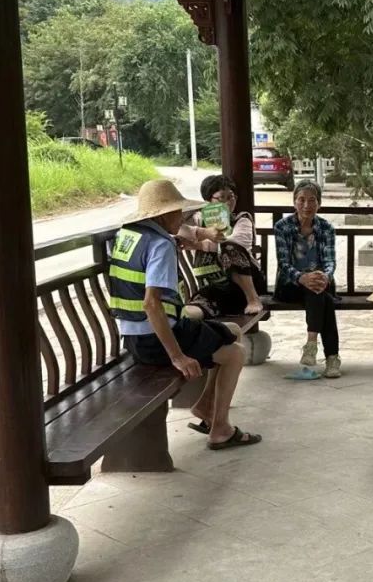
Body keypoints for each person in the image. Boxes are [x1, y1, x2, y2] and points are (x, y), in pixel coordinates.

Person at [109, 179, 262, 450]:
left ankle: (206, 407)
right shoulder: (160, 245)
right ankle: (221, 429)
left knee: (233, 331)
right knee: (236, 353)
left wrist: (190, 237)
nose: (181, 217)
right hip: (157, 339)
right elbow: (152, 304)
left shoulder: (129, 235)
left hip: (133, 337)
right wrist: (177, 356)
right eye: (178, 211)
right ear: (163, 214)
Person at [274, 179, 341, 378]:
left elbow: (330, 261)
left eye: (312, 200)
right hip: (290, 285)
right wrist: (302, 278)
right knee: (321, 295)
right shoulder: (282, 227)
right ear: (294, 202)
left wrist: (325, 276)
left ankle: (312, 347)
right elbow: (283, 264)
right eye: (301, 200)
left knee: (320, 292)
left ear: (319, 203)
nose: (306, 205)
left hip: (319, 284)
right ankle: (332, 358)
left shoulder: (326, 228)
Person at [178, 174, 265, 318]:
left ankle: (253, 299)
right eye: (221, 198)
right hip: (215, 287)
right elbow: (176, 228)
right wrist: (202, 231)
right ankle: (180, 320)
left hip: (246, 283)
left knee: (229, 247)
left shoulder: (242, 220)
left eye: (231, 197)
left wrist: (198, 245)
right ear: (208, 200)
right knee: (200, 304)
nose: (227, 202)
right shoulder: (198, 219)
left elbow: (236, 243)